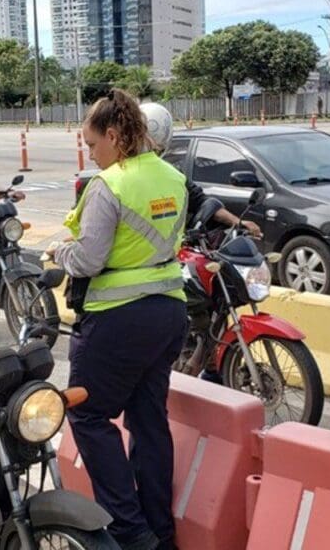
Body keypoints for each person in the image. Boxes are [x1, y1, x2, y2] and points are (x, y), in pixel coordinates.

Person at [48, 89, 188, 550]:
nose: (91, 154)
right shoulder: (172, 177)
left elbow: (87, 259)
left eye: (92, 144)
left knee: (86, 413)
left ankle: (130, 532)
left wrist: (58, 251)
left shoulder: (109, 184)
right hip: (169, 311)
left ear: (113, 134)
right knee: (149, 420)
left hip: (117, 318)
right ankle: (160, 533)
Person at [139, 102, 262, 238]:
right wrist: (237, 222)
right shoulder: (171, 175)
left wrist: (237, 222)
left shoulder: (172, 176)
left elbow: (199, 200)